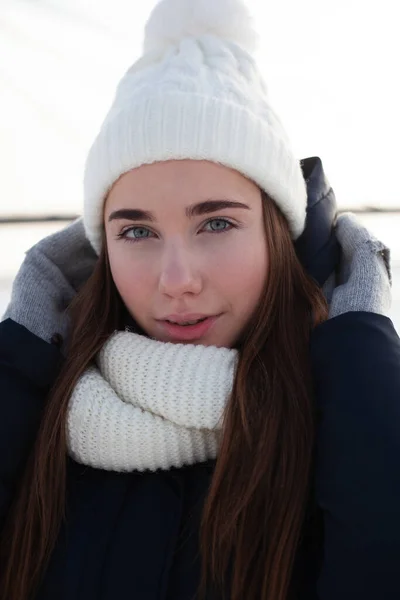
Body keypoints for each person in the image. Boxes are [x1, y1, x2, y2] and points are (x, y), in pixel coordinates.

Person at [1, 0, 400, 599]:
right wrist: (21, 359)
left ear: (277, 233)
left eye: (215, 224)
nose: (177, 279)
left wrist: (363, 360)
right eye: (137, 232)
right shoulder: (40, 410)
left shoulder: (345, 409)